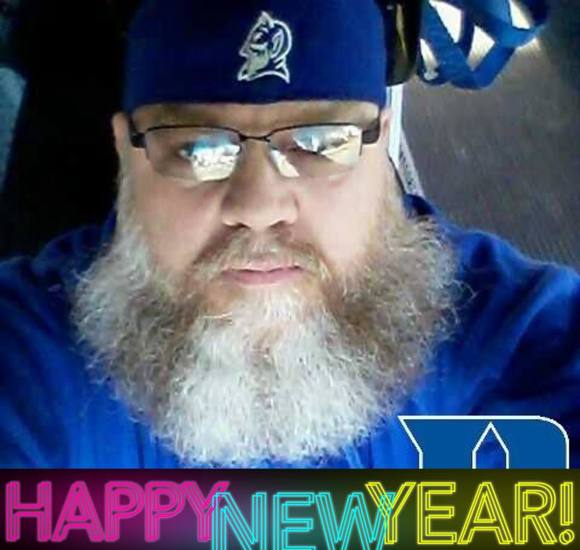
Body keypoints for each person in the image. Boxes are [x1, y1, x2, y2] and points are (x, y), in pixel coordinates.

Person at [0, 0, 578, 468]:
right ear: (127, 151)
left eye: (320, 143)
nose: (258, 207)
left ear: (380, 146)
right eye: (197, 148)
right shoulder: (31, 358)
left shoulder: (511, 338)